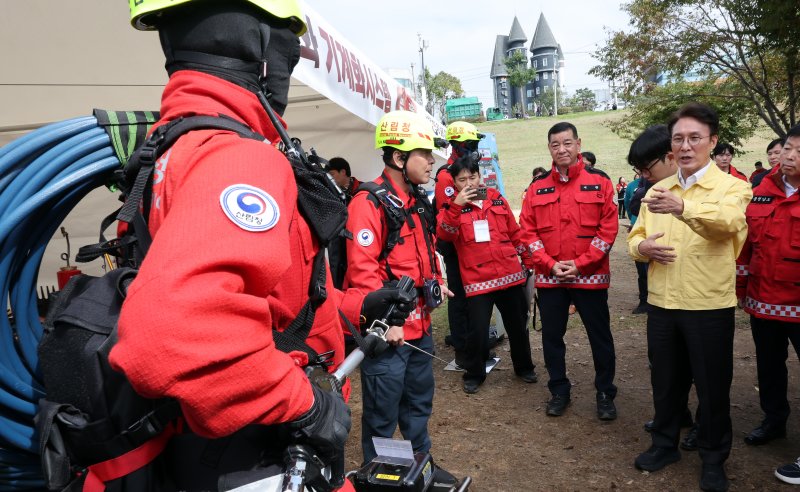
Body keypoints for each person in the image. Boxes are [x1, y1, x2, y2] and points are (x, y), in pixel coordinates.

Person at [108, 2, 417, 490]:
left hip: (210, 442)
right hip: (256, 447)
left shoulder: (168, 147)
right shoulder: (240, 158)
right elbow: (166, 340)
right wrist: (306, 405)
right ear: (261, 48)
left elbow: (274, 301)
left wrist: (356, 306)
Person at [628, 103, 752, 492]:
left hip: (707, 306)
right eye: (678, 138)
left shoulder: (732, 187)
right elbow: (635, 237)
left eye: (694, 138)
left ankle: (713, 459)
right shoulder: (658, 188)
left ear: (712, 142)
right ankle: (664, 445)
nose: (685, 146)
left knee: (712, 386)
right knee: (665, 382)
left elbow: (728, 224)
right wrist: (642, 247)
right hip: (663, 304)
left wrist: (685, 207)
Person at [344, 110, 455, 483]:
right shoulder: (368, 204)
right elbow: (363, 272)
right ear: (398, 158)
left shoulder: (415, 202)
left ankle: (419, 467)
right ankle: (380, 477)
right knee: (382, 412)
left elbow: (423, 256)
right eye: (424, 153)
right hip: (389, 336)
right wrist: (388, 322)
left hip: (420, 329)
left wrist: (436, 281)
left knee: (418, 405)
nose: (432, 161)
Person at [519, 122, 619, 420]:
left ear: (578, 144)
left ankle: (605, 392)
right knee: (552, 337)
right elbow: (528, 232)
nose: (561, 149)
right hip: (551, 281)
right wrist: (550, 265)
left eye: (567, 143)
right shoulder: (536, 188)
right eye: (555, 145)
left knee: (599, 337)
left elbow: (608, 230)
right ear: (549, 148)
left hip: (590, 278)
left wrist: (580, 264)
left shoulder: (600, 183)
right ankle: (558, 390)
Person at [436, 153, 537, 394]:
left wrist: (528, 259)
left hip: (510, 275)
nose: (469, 183)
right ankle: (474, 373)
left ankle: (524, 367)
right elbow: (445, 235)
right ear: (454, 183)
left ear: (480, 177)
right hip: (477, 281)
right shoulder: (451, 209)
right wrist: (457, 206)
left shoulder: (497, 199)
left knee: (517, 326)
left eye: (473, 177)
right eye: (462, 180)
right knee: (477, 331)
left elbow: (515, 233)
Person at [736, 125, 800, 476]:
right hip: (764, 303)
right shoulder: (762, 190)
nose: (790, 156)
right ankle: (774, 421)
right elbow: (747, 245)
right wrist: (742, 290)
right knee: (770, 368)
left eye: (799, 152)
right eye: (788, 148)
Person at [434, 121, 485, 366]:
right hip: (454, 242)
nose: (475, 147)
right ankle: (461, 344)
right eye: (472, 143)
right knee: (459, 295)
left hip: (471, 241)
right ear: (460, 144)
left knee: (472, 294)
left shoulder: (465, 169)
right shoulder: (446, 175)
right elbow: (451, 208)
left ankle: (473, 340)